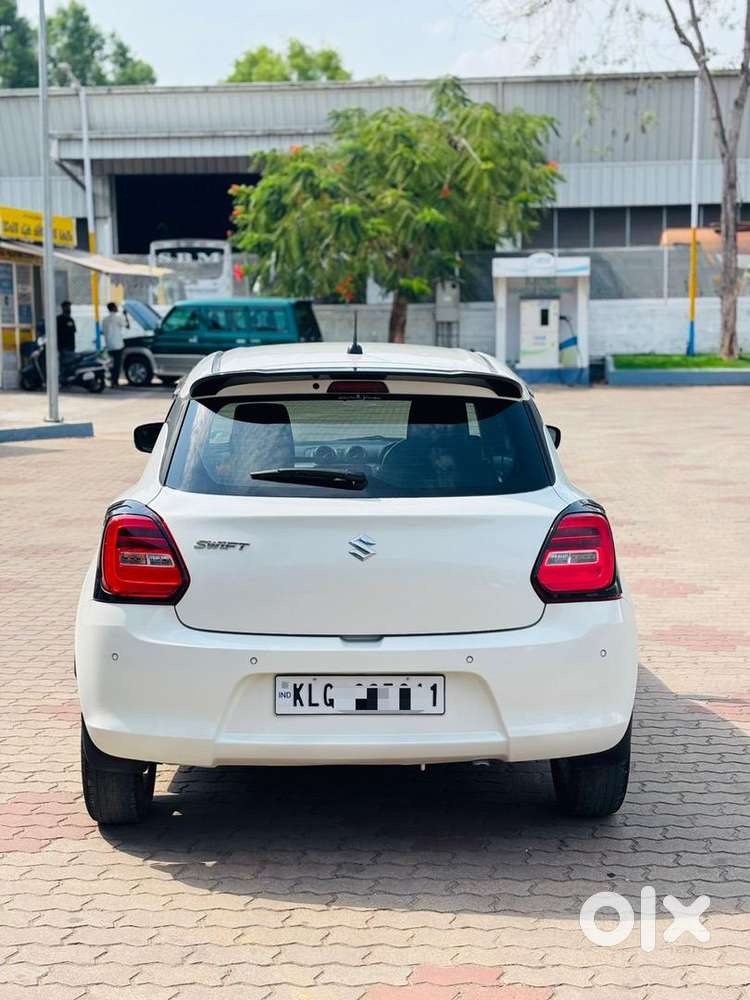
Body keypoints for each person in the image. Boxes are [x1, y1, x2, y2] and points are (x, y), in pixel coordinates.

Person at [101, 301, 129, 388]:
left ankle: (111, 381)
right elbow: (127, 326)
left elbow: (103, 332)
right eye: (116, 306)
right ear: (113, 308)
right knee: (117, 364)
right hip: (118, 345)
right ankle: (115, 382)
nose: (117, 308)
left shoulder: (104, 320)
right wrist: (125, 315)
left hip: (109, 345)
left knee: (111, 364)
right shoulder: (118, 317)